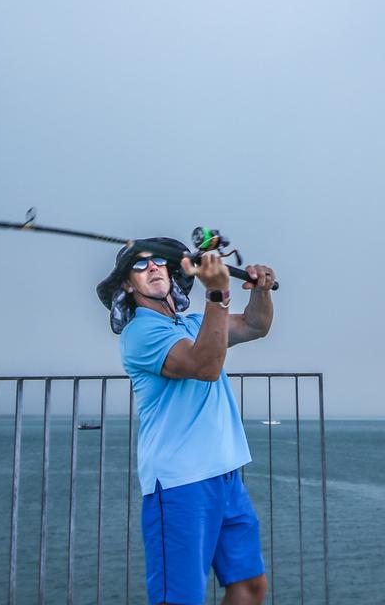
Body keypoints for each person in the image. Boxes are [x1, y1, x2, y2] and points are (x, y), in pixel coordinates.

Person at [96, 238, 276, 605]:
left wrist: (261, 290)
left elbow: (256, 325)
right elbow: (204, 366)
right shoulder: (140, 334)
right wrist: (217, 295)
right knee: (179, 599)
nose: (153, 267)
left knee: (250, 586)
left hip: (225, 475)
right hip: (179, 483)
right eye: (141, 265)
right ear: (128, 286)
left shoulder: (194, 321)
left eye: (159, 262)